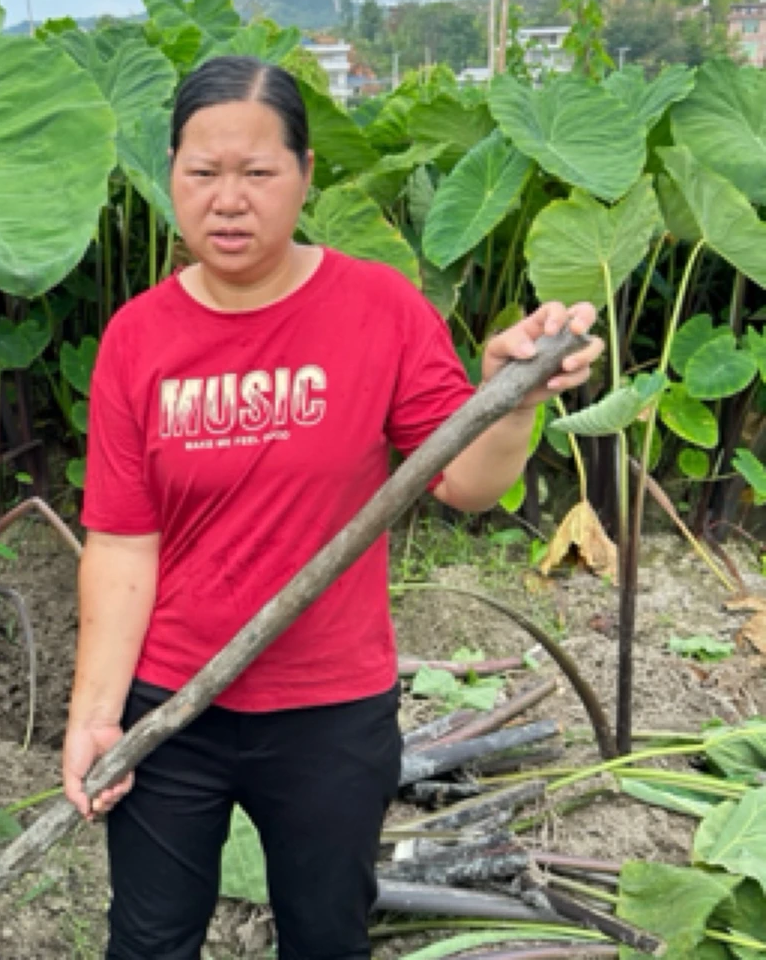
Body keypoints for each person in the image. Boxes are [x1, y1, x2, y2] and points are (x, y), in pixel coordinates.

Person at [63, 55, 603, 960]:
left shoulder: (378, 308)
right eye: (201, 174)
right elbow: (121, 544)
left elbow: (468, 484)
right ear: (171, 178)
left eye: (258, 174)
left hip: (329, 708)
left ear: (307, 175)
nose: (228, 201)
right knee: (148, 943)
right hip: (174, 710)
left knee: (325, 937)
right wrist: (96, 716)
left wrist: (509, 401)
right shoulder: (137, 338)